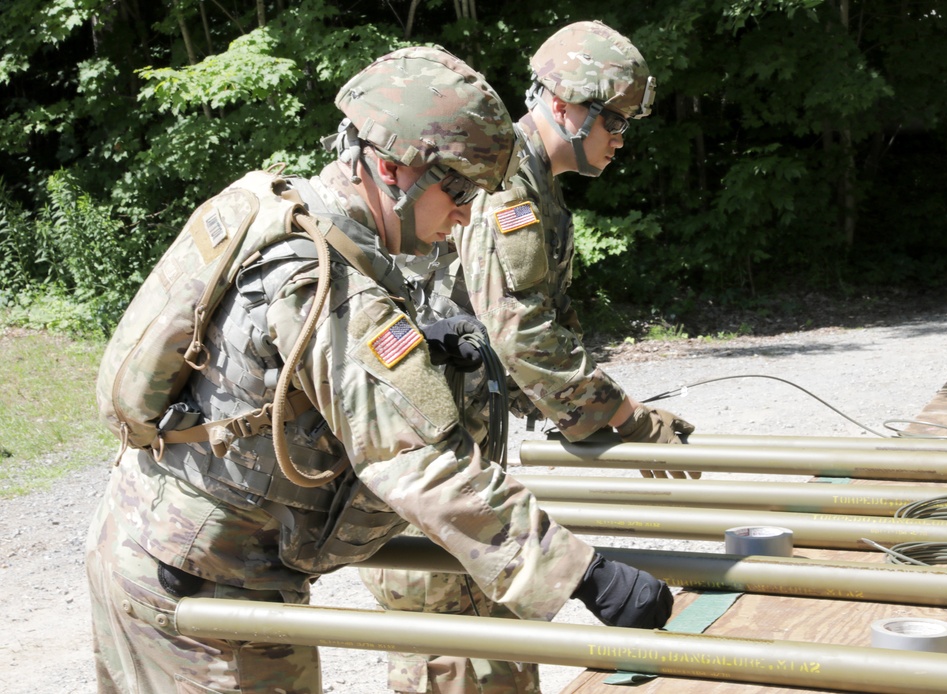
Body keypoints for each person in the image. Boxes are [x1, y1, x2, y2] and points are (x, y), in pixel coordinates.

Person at [85, 45, 673, 694]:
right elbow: (417, 462)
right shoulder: (330, 283)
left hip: (167, 553)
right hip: (203, 594)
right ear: (395, 170)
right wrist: (586, 576)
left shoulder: (308, 222)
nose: (464, 215)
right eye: (456, 191)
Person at [359, 21, 697, 693]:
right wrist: (625, 415)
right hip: (432, 470)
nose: (620, 141)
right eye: (616, 122)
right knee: (452, 666)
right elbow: (522, 336)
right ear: (570, 106)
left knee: (503, 663)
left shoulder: (530, 182)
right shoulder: (507, 184)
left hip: (466, 462)